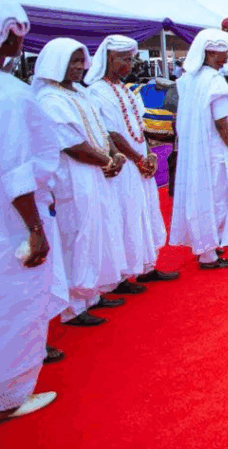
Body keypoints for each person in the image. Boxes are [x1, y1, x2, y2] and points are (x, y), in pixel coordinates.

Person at [0, 1, 61, 425]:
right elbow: (17, 170)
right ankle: (4, 399)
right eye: (19, 32)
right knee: (13, 304)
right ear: (2, 38)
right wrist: (35, 230)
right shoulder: (3, 91)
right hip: (5, 222)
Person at [33, 38, 128, 326]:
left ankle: (92, 293)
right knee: (77, 235)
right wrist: (106, 160)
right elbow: (71, 144)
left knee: (96, 230)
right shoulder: (50, 98)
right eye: (72, 61)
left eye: (80, 61)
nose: (78, 67)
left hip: (94, 172)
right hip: (72, 177)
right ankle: (74, 305)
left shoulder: (80, 93)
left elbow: (101, 130)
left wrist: (114, 154)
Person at [85, 36, 179, 286]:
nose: (131, 64)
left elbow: (139, 126)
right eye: (125, 59)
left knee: (144, 212)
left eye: (131, 58)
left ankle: (146, 265)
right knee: (124, 215)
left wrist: (148, 154)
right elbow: (110, 132)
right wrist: (138, 158)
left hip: (139, 163)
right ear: (109, 59)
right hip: (122, 164)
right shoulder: (96, 91)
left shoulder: (126, 89)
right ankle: (123, 275)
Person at [170, 29, 228, 270]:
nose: (227, 54)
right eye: (223, 49)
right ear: (210, 52)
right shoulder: (214, 81)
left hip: (200, 147)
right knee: (217, 198)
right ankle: (209, 253)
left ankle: (207, 247)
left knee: (205, 195)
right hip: (217, 150)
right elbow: (221, 122)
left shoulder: (191, 78)